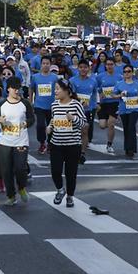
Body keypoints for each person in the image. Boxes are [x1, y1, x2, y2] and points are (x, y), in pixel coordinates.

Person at [0, 76, 36, 206]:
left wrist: (26, 123)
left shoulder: (25, 103)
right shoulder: (1, 103)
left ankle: (21, 187)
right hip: (5, 141)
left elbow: (32, 119)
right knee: (6, 170)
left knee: (20, 168)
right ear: (8, 89)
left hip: (21, 140)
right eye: (14, 89)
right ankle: (11, 195)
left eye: (18, 89)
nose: (17, 91)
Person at [46, 79, 86, 207]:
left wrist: (73, 118)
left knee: (71, 173)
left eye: (58, 89)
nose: (55, 91)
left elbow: (84, 123)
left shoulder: (76, 105)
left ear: (67, 91)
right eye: (55, 88)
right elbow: (53, 119)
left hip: (73, 145)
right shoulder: (54, 105)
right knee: (55, 171)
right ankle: (60, 190)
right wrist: (50, 127)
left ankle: (70, 196)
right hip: (56, 144)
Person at [30, 56, 58, 155]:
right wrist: (30, 101)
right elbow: (31, 88)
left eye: (47, 63)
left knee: (51, 126)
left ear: (50, 65)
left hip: (52, 106)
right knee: (40, 125)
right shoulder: (35, 77)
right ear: (41, 65)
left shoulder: (54, 77)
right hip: (39, 105)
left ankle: (50, 143)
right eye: (43, 63)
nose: (45, 65)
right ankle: (42, 142)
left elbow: (58, 90)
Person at [115, 65, 138, 158]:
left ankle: (131, 149)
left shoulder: (137, 83)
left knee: (131, 127)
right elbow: (112, 95)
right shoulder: (119, 84)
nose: (127, 73)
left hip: (135, 108)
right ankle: (127, 148)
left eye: (129, 71)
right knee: (126, 128)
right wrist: (120, 95)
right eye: (125, 72)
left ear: (132, 72)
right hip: (124, 109)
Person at [95, 59, 122, 154]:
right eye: (108, 64)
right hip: (103, 103)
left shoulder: (119, 77)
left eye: (111, 64)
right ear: (105, 66)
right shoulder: (100, 76)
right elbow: (95, 87)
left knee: (111, 125)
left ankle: (109, 144)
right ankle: (112, 121)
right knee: (102, 125)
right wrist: (100, 92)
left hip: (114, 103)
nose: (109, 66)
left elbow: (122, 88)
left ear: (114, 65)